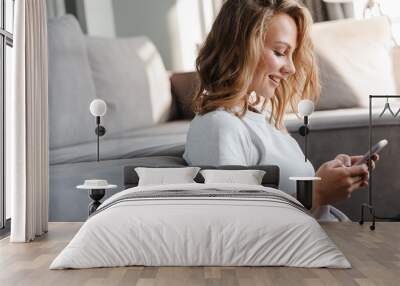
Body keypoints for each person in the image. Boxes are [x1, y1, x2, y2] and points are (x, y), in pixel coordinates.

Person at [183, 0, 378, 221]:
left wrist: (326, 180)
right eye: (279, 52)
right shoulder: (218, 126)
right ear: (240, 48)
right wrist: (318, 193)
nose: (291, 68)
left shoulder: (259, 118)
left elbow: (285, 198)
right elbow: (234, 226)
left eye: (291, 54)